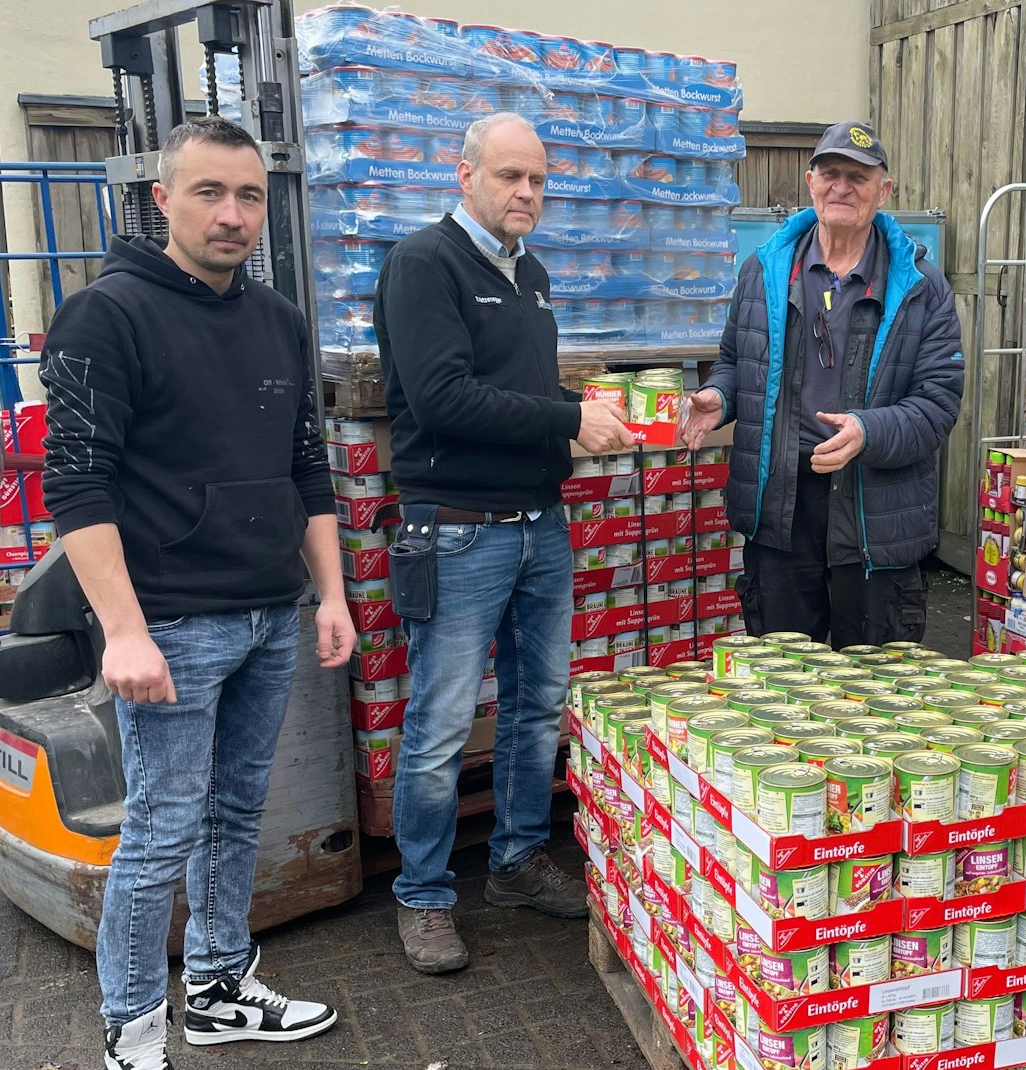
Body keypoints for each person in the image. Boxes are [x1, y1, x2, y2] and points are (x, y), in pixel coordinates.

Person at [39, 116, 352, 1070]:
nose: (231, 215)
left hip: (267, 611)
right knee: (160, 831)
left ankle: (219, 988)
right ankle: (131, 1042)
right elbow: (76, 486)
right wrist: (122, 629)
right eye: (208, 193)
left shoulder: (276, 320)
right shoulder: (106, 317)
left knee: (235, 813)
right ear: (162, 198)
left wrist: (332, 594)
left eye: (248, 196)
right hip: (171, 625)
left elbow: (308, 468)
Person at [375, 112, 636, 975]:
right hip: (457, 533)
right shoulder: (423, 264)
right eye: (509, 176)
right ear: (466, 176)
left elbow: (515, 398)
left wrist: (587, 420)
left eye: (537, 179)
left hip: (538, 527)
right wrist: (569, 419)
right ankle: (421, 894)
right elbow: (444, 398)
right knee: (444, 720)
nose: (525, 192)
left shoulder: (533, 275)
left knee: (536, 706)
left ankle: (519, 859)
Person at [682, 120, 963, 647]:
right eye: (831, 173)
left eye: (858, 177)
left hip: (874, 516)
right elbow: (733, 362)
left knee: (875, 693)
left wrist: (867, 430)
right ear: (810, 181)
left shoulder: (923, 288)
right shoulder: (762, 272)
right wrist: (718, 398)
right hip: (780, 509)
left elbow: (938, 402)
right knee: (784, 689)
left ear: (884, 190)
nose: (842, 187)